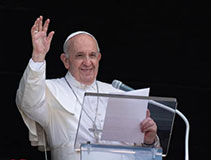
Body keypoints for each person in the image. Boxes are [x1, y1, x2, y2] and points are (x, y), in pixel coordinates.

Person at [16, 16, 159, 160]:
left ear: (99, 58)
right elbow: (29, 101)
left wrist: (148, 141)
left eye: (92, 55)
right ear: (66, 61)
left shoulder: (117, 93)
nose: (87, 62)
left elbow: (141, 154)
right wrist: (38, 56)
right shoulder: (51, 90)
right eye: (79, 56)